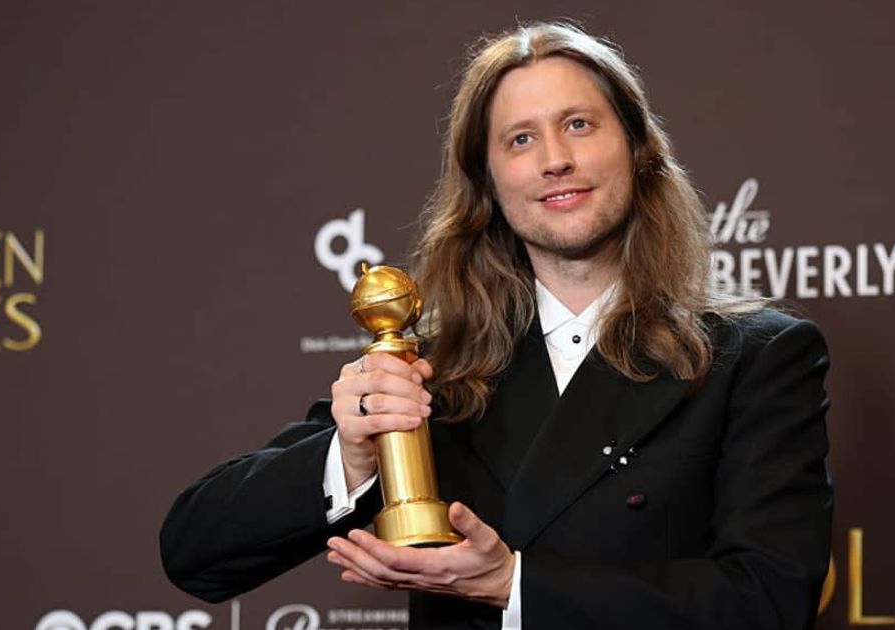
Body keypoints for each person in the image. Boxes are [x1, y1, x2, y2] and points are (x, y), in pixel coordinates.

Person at [160, 21, 832, 630]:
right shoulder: (437, 373)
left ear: (638, 148)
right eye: (520, 139)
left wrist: (513, 584)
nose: (553, 160)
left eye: (578, 125)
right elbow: (196, 553)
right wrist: (352, 455)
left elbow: (769, 599)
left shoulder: (758, 357)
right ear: (487, 182)